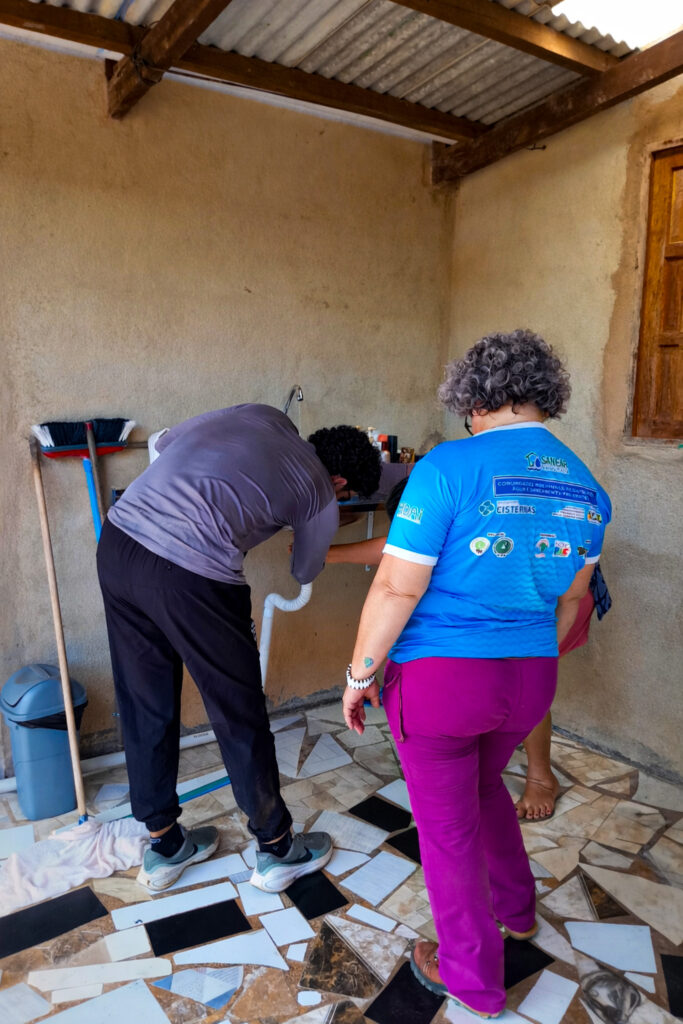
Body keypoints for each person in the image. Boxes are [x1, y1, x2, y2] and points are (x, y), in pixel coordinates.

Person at [341, 330, 611, 1017]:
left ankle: (471, 977)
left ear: (476, 399)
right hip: (529, 678)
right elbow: (572, 596)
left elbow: (397, 589)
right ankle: (517, 912)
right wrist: (525, 656)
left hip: (441, 683)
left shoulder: (447, 466)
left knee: (446, 831)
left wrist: (358, 672)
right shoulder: (586, 485)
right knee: (486, 785)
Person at [96, 404, 381, 893]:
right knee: (238, 709)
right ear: (339, 481)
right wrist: (316, 520)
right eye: (348, 495)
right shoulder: (319, 492)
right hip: (191, 573)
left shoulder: (264, 416)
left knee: (143, 701)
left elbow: (164, 442)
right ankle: (277, 849)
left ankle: (164, 846)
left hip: (119, 542)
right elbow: (305, 569)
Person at [328, 480, 612, 823]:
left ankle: (541, 777)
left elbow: (393, 562)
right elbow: (395, 550)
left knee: (525, 679)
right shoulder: (451, 507)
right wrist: (326, 555)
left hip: (559, 599)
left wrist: (360, 675)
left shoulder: (463, 509)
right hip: (530, 593)